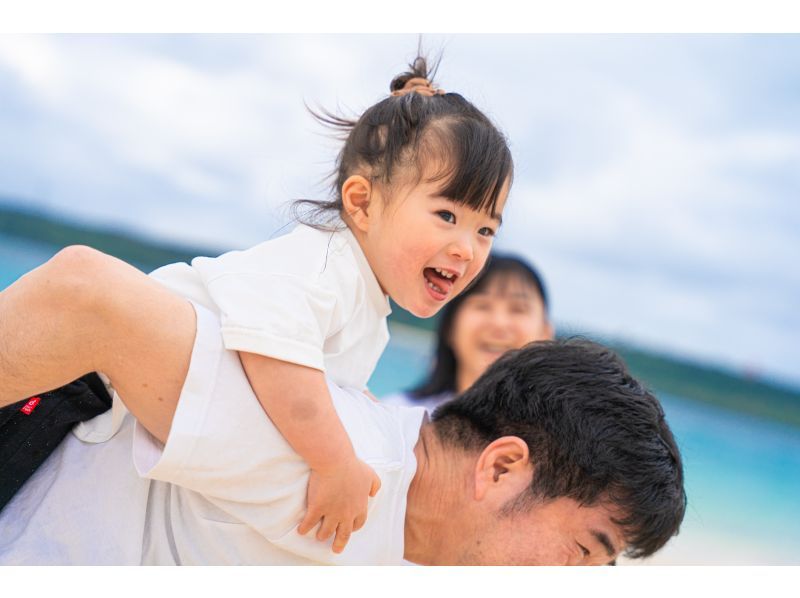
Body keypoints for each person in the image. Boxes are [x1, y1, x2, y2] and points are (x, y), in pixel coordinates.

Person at [0, 54, 514, 554]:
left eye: (486, 228)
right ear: (360, 202)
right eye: (446, 215)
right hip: (83, 401)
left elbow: (320, 380)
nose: (466, 247)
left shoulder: (366, 305)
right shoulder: (324, 265)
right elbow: (275, 358)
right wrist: (336, 463)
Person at [0, 258, 686, 563]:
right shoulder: (329, 457)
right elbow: (82, 299)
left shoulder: (405, 531)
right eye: (580, 553)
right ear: (503, 467)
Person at [383, 253, 553, 412]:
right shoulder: (399, 416)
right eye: (482, 306)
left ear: (546, 334)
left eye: (518, 309)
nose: (499, 323)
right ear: (450, 327)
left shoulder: (564, 432)